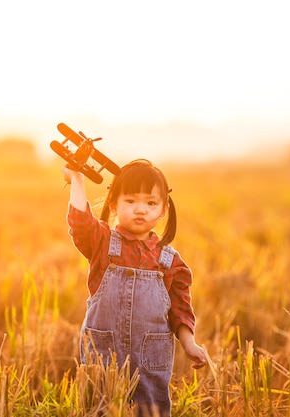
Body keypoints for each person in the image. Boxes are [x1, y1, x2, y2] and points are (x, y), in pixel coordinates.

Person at [62, 159, 206, 416]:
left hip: (150, 361)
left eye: (150, 203)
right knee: (99, 409)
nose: (140, 210)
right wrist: (77, 178)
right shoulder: (102, 243)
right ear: (114, 204)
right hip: (103, 357)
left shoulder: (170, 261)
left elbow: (180, 310)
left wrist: (189, 343)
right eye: (130, 201)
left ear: (163, 210)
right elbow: (81, 223)